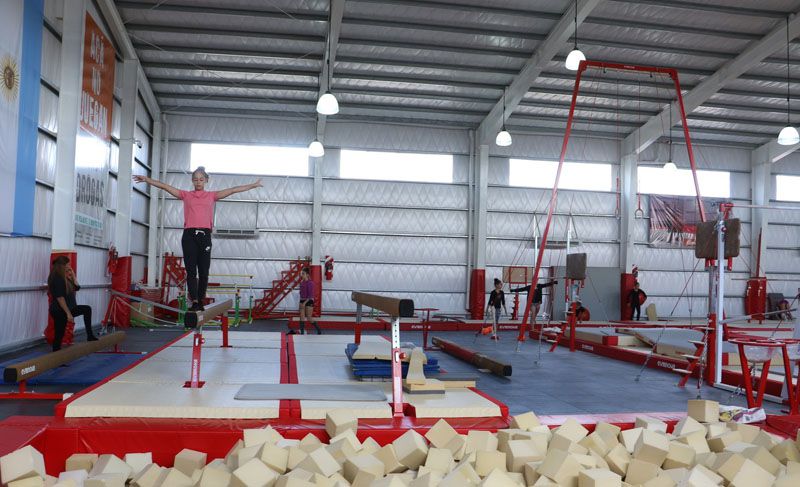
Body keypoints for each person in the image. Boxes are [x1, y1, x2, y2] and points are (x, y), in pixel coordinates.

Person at [134, 167, 262, 311]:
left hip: (205, 236)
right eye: (195, 179)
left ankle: (201, 300)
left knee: (203, 271)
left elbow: (233, 190)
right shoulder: (186, 195)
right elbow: (164, 186)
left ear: (206, 180)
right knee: (191, 271)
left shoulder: (212, 196)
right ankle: (194, 301)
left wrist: (253, 185)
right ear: (192, 181)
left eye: (201, 179)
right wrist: (147, 180)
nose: (198, 182)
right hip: (189, 236)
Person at [48, 256, 97, 351]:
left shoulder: (65, 278)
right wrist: (68, 314)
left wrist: (73, 276)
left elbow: (77, 287)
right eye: (68, 265)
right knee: (59, 333)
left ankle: (90, 335)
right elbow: (60, 298)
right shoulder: (57, 279)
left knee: (87, 309)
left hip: (69, 308)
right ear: (62, 266)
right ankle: (56, 353)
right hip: (59, 310)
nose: (69, 266)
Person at [297, 267, 321, 335]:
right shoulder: (302, 282)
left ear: (307, 274)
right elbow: (301, 293)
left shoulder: (310, 283)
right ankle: (302, 332)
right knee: (301, 317)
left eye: (303, 273)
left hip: (309, 301)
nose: (302, 275)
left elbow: (310, 295)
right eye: (301, 273)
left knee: (309, 318)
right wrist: (301, 302)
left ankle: (318, 329)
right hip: (302, 300)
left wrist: (304, 303)